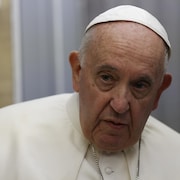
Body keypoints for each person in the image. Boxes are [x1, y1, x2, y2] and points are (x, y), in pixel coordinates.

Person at [0, 5, 180, 180]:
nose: (120, 105)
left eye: (140, 85)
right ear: (78, 72)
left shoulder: (175, 155)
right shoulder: (7, 136)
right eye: (107, 78)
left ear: (158, 92)